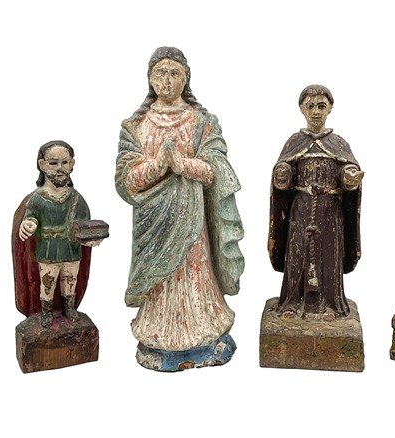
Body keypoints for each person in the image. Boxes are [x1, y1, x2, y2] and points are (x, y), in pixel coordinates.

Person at [115, 47, 244, 365]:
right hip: (153, 220)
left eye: (175, 73)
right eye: (160, 73)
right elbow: (126, 180)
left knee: (194, 273)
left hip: (193, 221)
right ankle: (159, 336)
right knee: (160, 281)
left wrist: (183, 165)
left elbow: (217, 170)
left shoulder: (201, 121)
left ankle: (203, 333)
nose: (167, 80)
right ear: (149, 79)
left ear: (186, 78)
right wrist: (159, 165)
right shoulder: (135, 126)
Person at [268, 85, 363, 321]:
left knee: (329, 256)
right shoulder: (294, 142)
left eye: (321, 106)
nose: (316, 112)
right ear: (301, 109)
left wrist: (350, 177)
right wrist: (282, 174)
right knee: (297, 254)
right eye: (310, 106)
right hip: (301, 208)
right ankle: (292, 302)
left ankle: (330, 305)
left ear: (330, 108)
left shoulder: (338, 143)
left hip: (329, 210)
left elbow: (348, 172)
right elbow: (282, 178)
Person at [17, 140, 99, 328]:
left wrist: (90, 238)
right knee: (48, 282)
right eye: (53, 163)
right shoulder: (38, 198)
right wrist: (28, 224)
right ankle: (46, 311)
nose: (59, 168)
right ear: (42, 165)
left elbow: (85, 225)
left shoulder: (76, 199)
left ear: (72, 164)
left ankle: (69, 308)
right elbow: (31, 217)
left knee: (70, 280)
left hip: (71, 250)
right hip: (48, 250)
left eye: (64, 162)